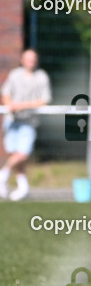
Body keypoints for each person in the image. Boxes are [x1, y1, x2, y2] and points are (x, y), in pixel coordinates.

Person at [1, 49, 52, 201]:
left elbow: (44, 100)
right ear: (22, 60)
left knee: (22, 154)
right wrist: (10, 105)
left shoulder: (41, 76)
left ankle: (2, 176)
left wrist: (21, 106)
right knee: (15, 155)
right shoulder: (15, 74)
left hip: (29, 122)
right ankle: (23, 187)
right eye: (28, 59)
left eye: (34, 58)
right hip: (12, 121)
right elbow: (6, 95)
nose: (31, 61)